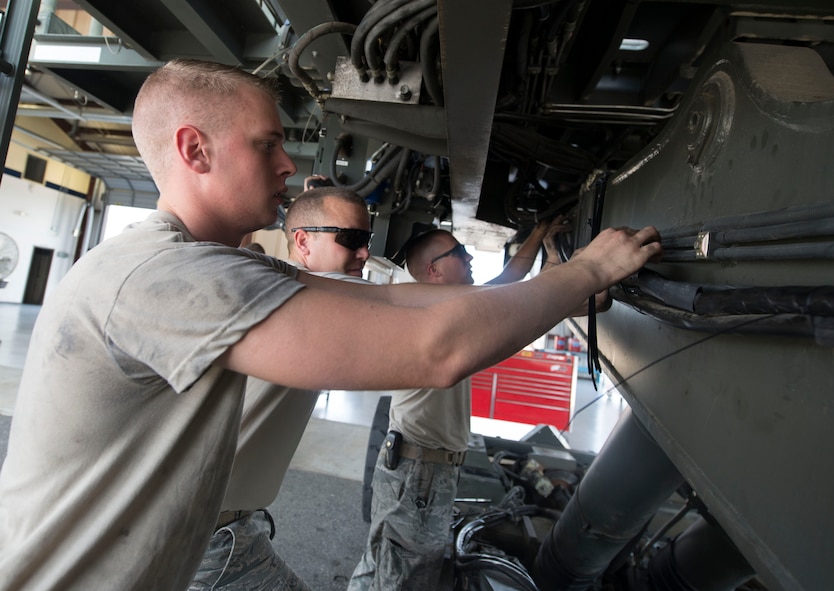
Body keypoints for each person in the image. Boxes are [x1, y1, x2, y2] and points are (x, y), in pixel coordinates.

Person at [0, 58, 661, 591]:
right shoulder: (169, 278)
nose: (288, 164)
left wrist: (563, 293)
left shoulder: (224, 267)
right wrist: (583, 272)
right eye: (268, 144)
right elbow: (436, 348)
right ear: (194, 150)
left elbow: (401, 304)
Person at [348, 227, 609, 591]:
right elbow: (511, 291)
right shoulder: (432, 308)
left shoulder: (442, 305)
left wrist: (538, 237)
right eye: (458, 252)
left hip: (422, 467)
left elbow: (507, 285)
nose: (469, 257)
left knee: (393, 568)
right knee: (400, 578)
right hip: (419, 472)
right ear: (434, 272)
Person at [190, 185, 374, 590]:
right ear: (302, 241)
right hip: (206, 537)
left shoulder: (317, 293)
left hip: (227, 525)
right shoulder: (270, 291)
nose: (364, 253)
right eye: (352, 240)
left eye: (367, 240)